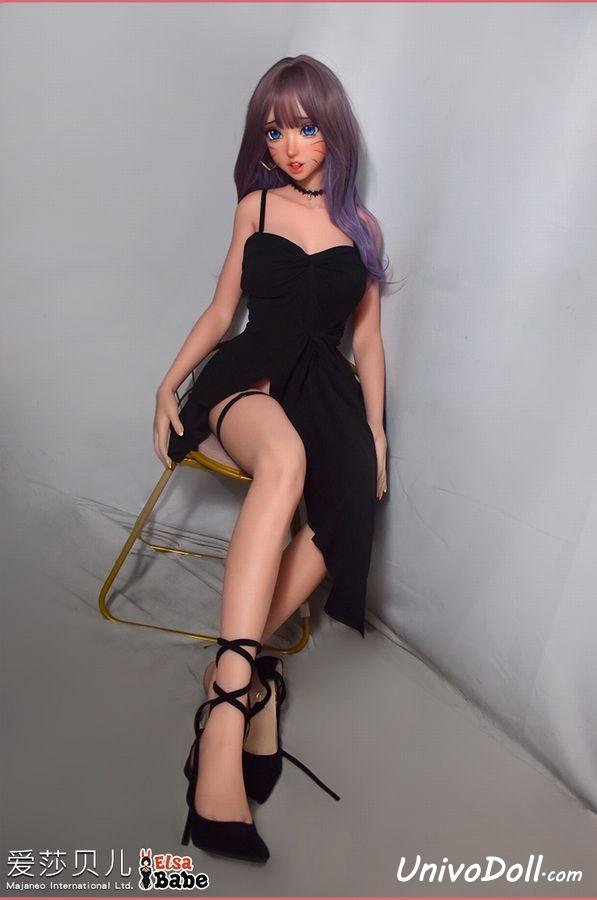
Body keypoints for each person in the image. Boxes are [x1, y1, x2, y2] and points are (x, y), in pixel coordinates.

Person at [152, 54, 389, 863]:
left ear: (334, 131)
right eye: (274, 132)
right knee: (284, 463)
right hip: (249, 379)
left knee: (350, 502)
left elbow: (367, 341)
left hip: (323, 388)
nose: (290, 147)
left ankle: (251, 684)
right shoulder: (253, 206)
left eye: (306, 127)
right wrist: (168, 383)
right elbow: (224, 308)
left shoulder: (362, 228)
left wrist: (375, 432)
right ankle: (228, 703)